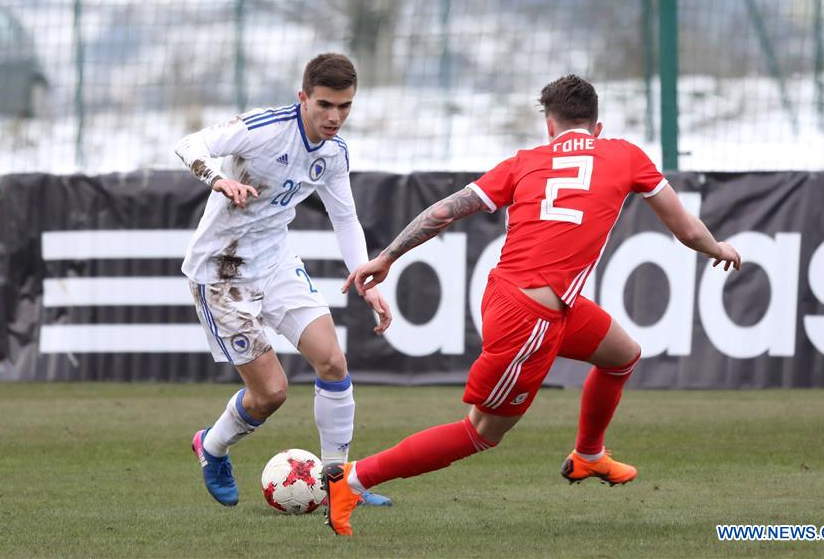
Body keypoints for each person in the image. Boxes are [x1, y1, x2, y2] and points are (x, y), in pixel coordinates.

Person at [323, 74, 742, 535]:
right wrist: (717, 248)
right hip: (528, 318)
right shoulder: (625, 154)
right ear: (597, 126)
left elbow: (446, 209)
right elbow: (685, 229)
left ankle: (588, 455)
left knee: (622, 355)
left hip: (527, 299)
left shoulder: (525, 161)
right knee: (481, 432)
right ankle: (353, 479)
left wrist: (387, 257)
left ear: (549, 124)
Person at [176, 53, 393, 507]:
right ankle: (212, 447)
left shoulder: (334, 153)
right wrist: (218, 180)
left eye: (345, 106)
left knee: (333, 362)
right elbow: (189, 143)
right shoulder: (263, 127)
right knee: (271, 393)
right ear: (303, 98)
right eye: (325, 105)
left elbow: (345, 218)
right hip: (220, 273)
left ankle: (340, 482)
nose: (335, 117)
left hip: (275, 263)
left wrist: (367, 279)